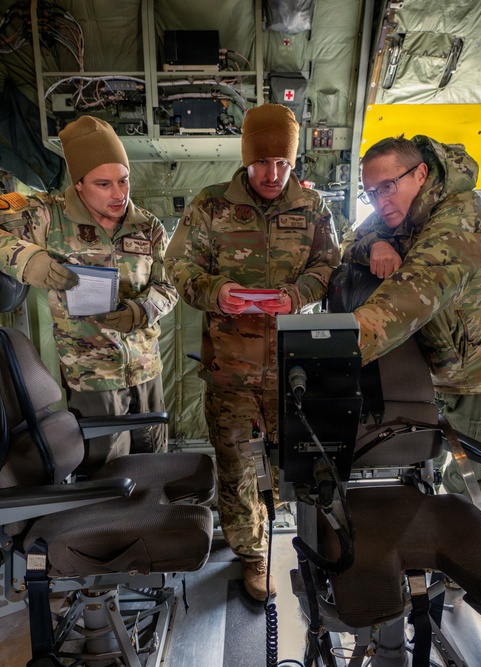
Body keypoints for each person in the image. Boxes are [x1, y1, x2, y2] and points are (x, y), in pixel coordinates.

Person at [165, 103, 340, 601]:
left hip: (294, 368)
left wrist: (299, 293)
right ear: (246, 159)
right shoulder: (212, 204)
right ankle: (254, 556)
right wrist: (217, 292)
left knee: (305, 463)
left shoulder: (313, 207)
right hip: (232, 368)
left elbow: (330, 263)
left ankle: (309, 547)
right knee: (238, 468)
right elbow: (179, 267)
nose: (273, 173)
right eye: (263, 162)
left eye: (283, 163)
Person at [0, 116, 177, 470]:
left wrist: (141, 310)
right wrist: (25, 258)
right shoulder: (44, 216)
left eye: (123, 181)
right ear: (78, 184)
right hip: (91, 378)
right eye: (103, 184)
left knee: (155, 467)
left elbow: (168, 286)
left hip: (146, 371)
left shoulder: (148, 226)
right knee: (106, 475)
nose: (119, 194)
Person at [344, 134, 481, 508]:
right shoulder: (403, 211)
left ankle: (464, 552)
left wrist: (338, 351)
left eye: (387, 187)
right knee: (436, 458)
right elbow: (352, 240)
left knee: (472, 485)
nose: (380, 202)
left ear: (420, 174)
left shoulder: (462, 219)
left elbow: (412, 295)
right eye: (371, 194)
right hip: (442, 363)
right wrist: (376, 246)